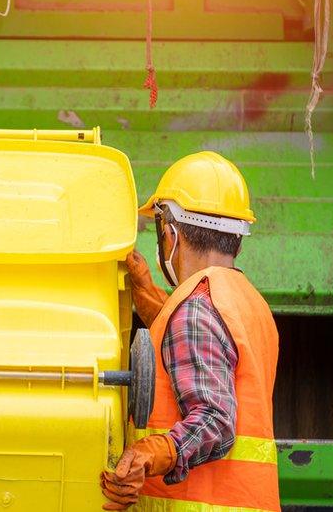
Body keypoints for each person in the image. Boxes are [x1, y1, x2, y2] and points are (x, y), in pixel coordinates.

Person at [101, 151, 280, 511]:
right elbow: (191, 354)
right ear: (237, 240)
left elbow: (215, 419)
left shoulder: (197, 308)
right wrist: (147, 295)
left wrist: (153, 452)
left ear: (170, 233)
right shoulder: (245, 301)